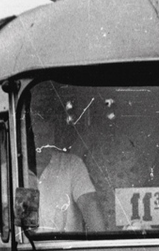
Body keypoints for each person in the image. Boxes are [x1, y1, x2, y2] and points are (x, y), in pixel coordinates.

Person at [27, 85, 105, 233]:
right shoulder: (9, 171)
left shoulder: (72, 165)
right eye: (36, 137)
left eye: (47, 136)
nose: (43, 144)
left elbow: (90, 204)